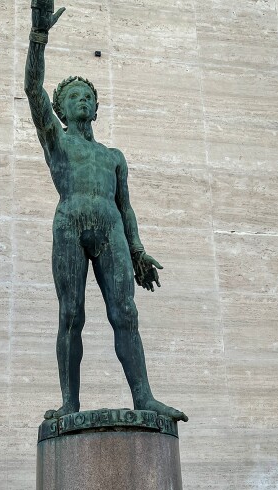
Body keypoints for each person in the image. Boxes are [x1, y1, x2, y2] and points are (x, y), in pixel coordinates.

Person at [24, 1, 186, 422]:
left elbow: (125, 207)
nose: (81, 100)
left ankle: (144, 397)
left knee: (125, 312)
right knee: (71, 314)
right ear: (60, 109)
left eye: (88, 97)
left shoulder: (113, 156)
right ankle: (69, 403)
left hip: (110, 227)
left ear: (95, 109)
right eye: (72, 96)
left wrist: (138, 250)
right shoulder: (57, 140)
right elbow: (32, 89)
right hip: (70, 223)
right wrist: (39, 36)